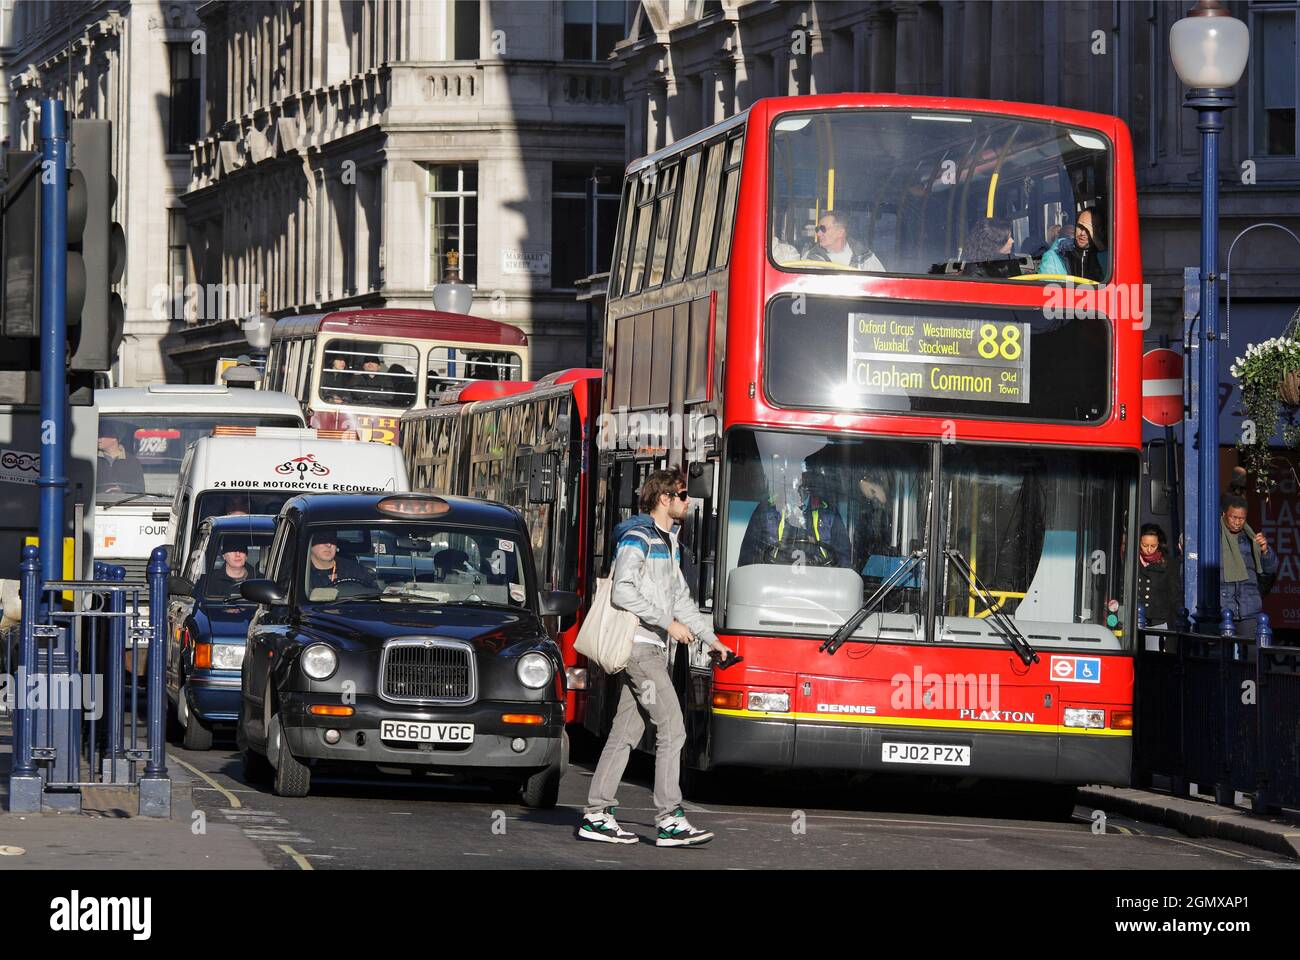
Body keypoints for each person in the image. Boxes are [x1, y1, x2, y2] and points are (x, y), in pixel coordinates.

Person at [581, 469, 731, 847]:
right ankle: (669, 818)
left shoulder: (669, 541)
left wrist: (711, 641)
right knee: (673, 726)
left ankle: (597, 813)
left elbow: (681, 598)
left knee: (626, 731)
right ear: (664, 499)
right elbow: (623, 591)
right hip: (640, 649)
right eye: (682, 494)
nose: (687, 501)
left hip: (652, 649)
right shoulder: (639, 538)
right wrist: (668, 622)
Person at [738, 468, 852, 568]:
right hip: (774, 584)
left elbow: (843, 561)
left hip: (819, 584)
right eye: (794, 476)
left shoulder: (828, 513)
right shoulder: (767, 510)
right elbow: (748, 560)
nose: (798, 483)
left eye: (803, 476)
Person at [1219, 496, 1277, 638]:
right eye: (1234, 517)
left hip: (1248, 608)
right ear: (1224, 514)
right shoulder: (1214, 537)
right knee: (1222, 655)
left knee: (1252, 656)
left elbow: (1269, 571)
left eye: (1242, 518)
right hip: (1222, 608)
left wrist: (1265, 551)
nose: (1238, 522)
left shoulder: (1251, 539)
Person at [801, 210, 884, 272]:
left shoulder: (866, 258)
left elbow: (883, 286)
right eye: (817, 229)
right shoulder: (809, 258)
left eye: (823, 229)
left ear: (840, 232)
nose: (818, 234)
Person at [1136, 523, 1180, 640]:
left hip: (1157, 620)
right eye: (1145, 545)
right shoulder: (1131, 560)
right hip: (1134, 619)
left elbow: (1174, 593)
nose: (1149, 549)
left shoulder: (1168, 563)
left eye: (1153, 546)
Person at [1039, 208, 1107, 282]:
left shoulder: (1106, 256)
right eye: (1080, 227)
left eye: (1088, 230)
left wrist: (1099, 246)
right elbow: (1049, 289)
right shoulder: (1055, 256)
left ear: (1099, 232)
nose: (1082, 233)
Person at [307, 531, 377, 593]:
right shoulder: (300, 574)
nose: (329, 545)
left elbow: (374, 595)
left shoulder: (354, 570)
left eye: (332, 539)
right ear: (309, 543)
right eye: (322, 539)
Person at [96, 424, 146, 495]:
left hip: (124, 504)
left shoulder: (132, 462)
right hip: (99, 504)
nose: (98, 439)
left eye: (102, 435)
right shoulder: (93, 458)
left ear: (114, 438)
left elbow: (140, 490)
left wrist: (122, 491)